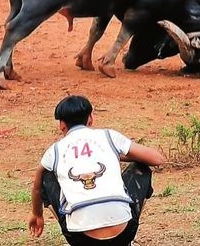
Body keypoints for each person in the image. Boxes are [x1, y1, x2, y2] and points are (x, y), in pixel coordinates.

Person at [29, 95, 164, 246]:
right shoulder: (109, 136)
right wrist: (115, 155)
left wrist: (37, 214)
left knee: (45, 176)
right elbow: (157, 159)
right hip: (124, 233)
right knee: (141, 166)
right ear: (90, 118)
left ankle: (73, 223)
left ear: (61, 124)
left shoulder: (54, 151)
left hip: (80, 239)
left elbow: (36, 187)